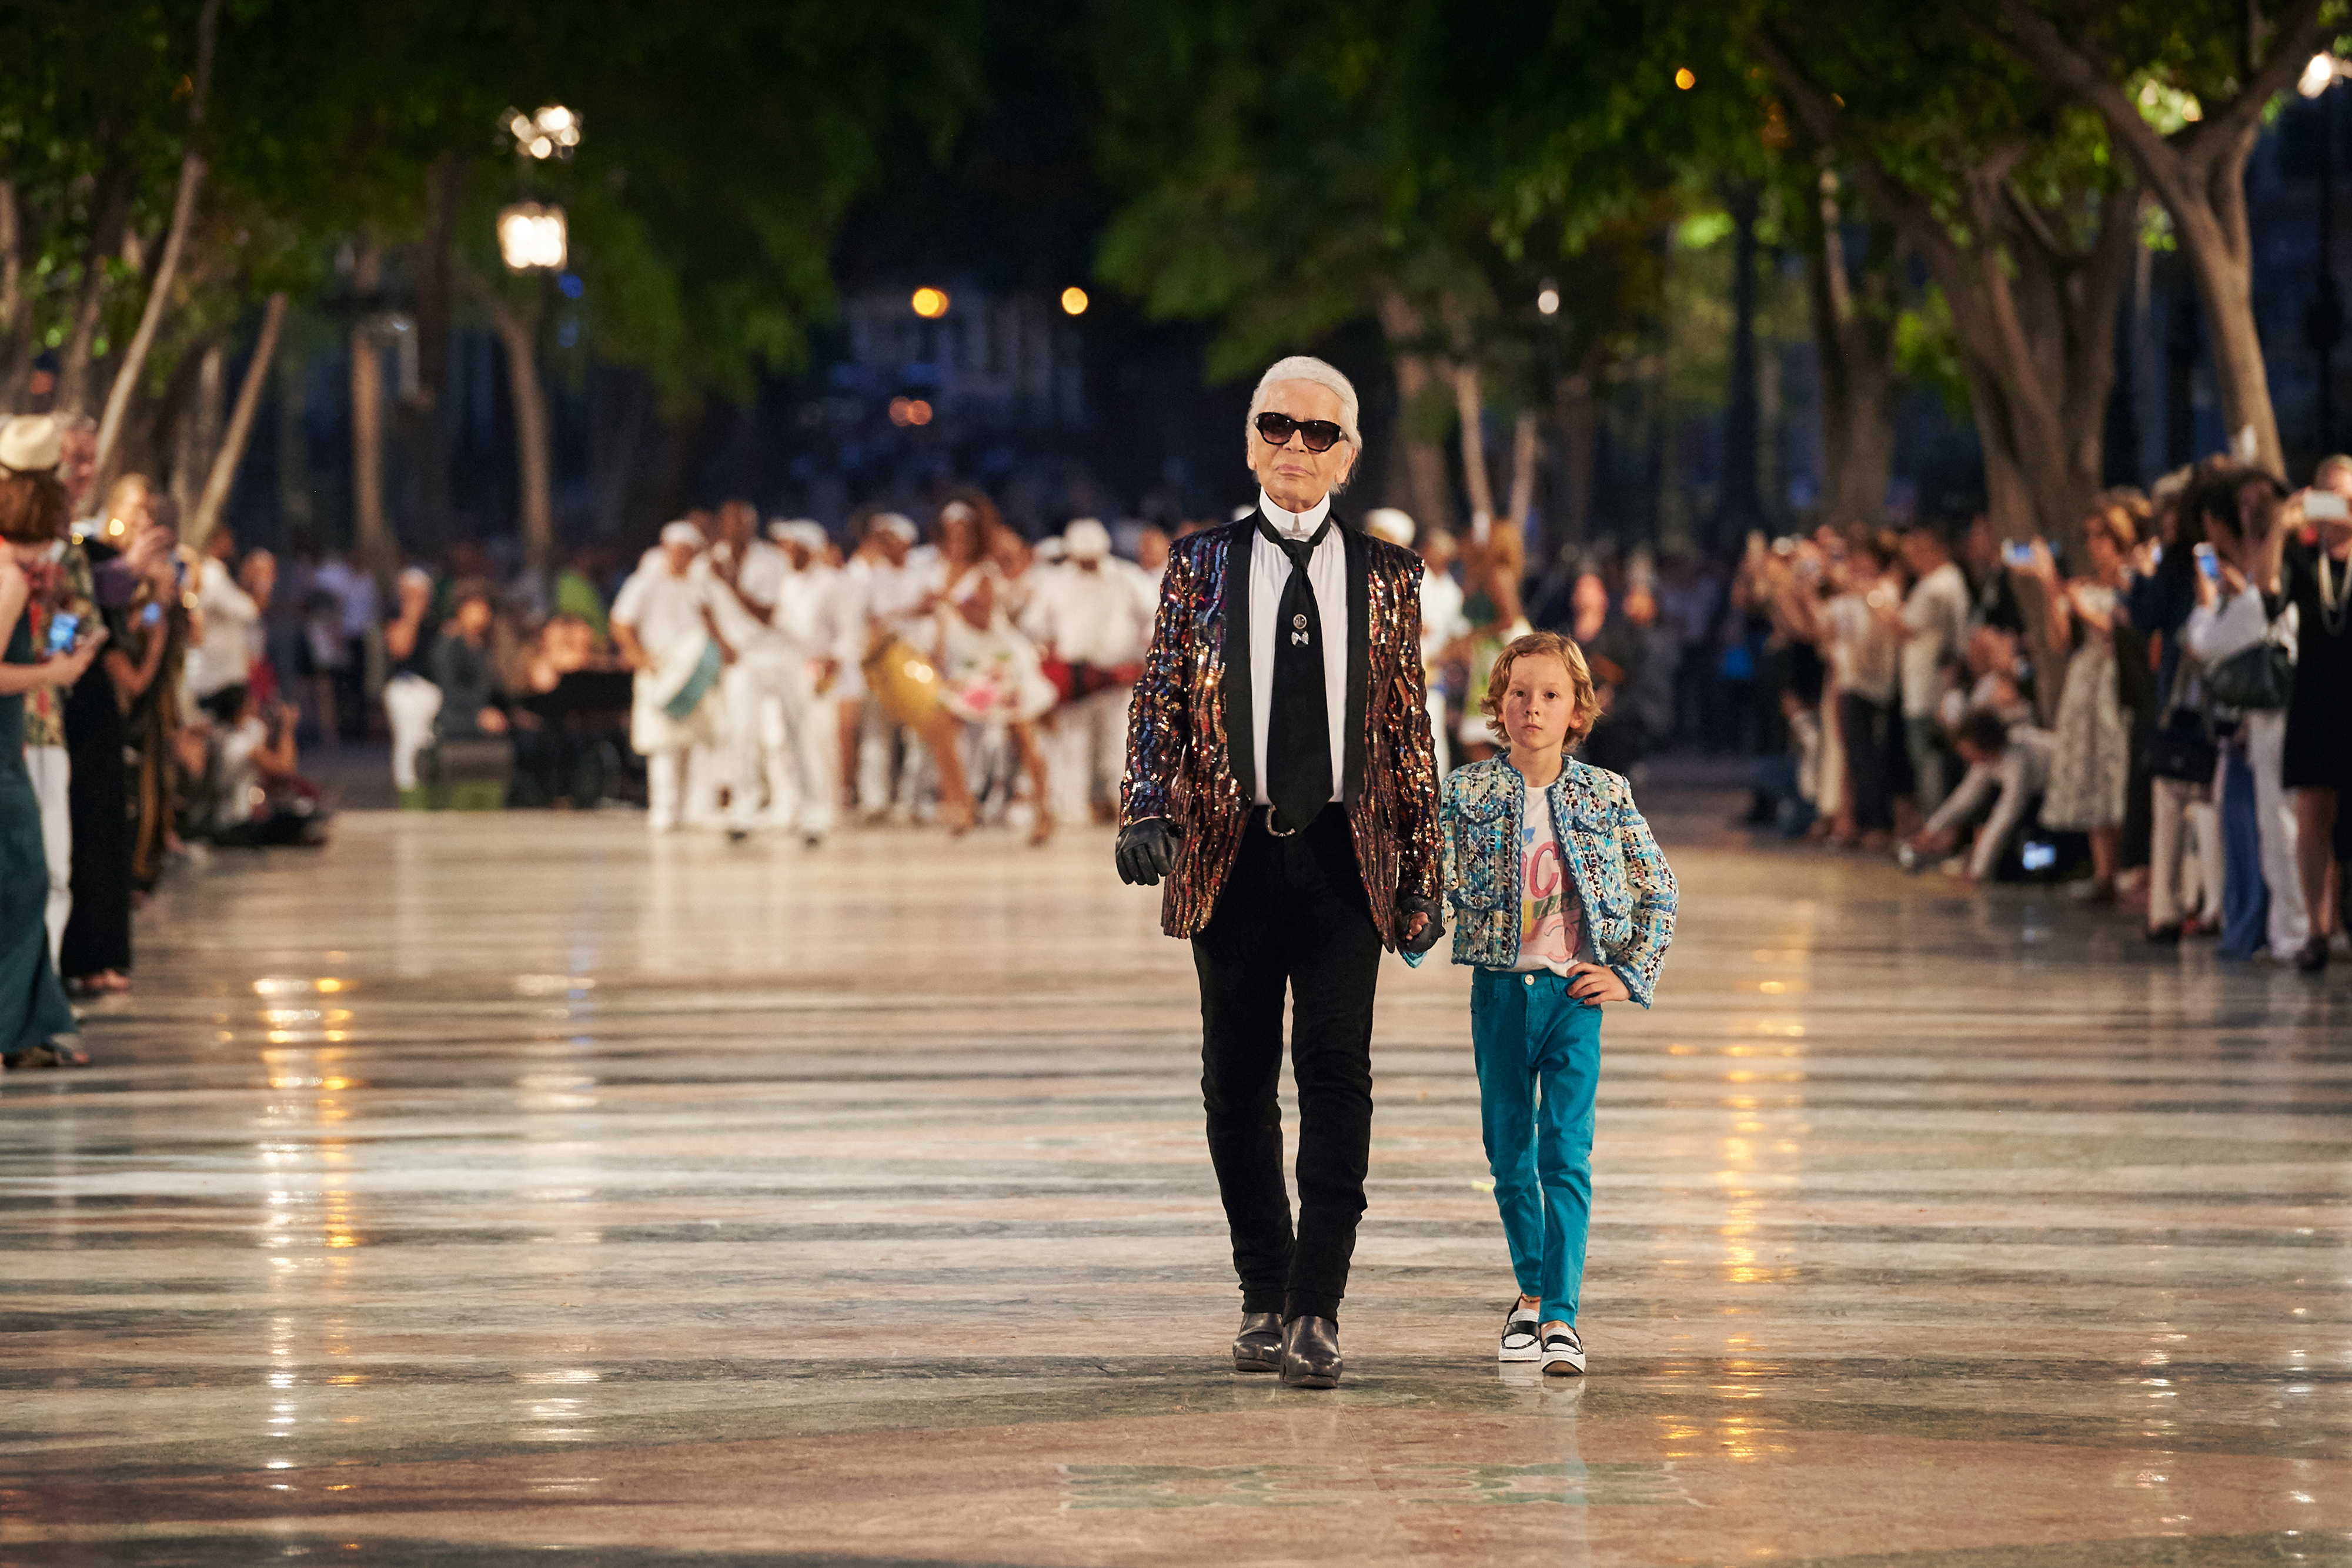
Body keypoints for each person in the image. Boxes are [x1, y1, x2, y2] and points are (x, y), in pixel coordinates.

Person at [1115, 355, 1445, 1389]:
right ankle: (1263, 1290)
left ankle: (1318, 1307)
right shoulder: (1197, 564)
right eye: (1276, 426)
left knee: (1338, 1076)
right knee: (1236, 1082)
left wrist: (1424, 870)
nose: (1294, 448)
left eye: (1318, 433)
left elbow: (1406, 730)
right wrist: (1146, 806)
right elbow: (1158, 698)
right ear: (1250, 438)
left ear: (1348, 454)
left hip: (1350, 855)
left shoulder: (1392, 578)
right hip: (1232, 852)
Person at [1439, 631, 1676, 1378]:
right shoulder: (1466, 791)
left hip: (1575, 998)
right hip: (1501, 995)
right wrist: (1405, 927)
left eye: (1549, 696)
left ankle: (1561, 1316)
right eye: (1518, 694)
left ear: (1577, 711)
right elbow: (1428, 881)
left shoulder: (1605, 794)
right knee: (1507, 1155)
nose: (1531, 708)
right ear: (1496, 704)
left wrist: (1630, 972)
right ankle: (1532, 1291)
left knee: (1565, 1154)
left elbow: (1657, 888)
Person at [2183, 467, 2306, 964]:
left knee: (2283, 826)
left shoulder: (2272, 587)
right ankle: (2292, 929)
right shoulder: (2276, 582)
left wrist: (2206, 603)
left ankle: (2295, 931)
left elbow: (2206, 641)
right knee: (2281, 825)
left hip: (2283, 717)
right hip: (2279, 717)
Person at [0, 526, 103, 1068]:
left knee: (33, 878)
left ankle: (26, 1021)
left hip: (27, 735)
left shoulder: (28, 578)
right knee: (26, 878)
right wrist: (52, 671)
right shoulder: (10, 576)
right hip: (20, 742)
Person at [2023, 507, 2136, 902]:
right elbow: (2059, 642)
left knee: (2115, 765)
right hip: (2085, 678)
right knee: (2090, 768)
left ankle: (2129, 870)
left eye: (2101, 536)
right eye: (2089, 537)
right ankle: (2103, 872)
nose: (2093, 546)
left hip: (2116, 679)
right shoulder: (2082, 585)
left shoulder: (2131, 580)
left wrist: (2078, 604)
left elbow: (2119, 633)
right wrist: (2051, 592)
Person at [1031, 517, 1155, 826]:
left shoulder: (1127, 577)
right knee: (1073, 745)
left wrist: (1146, 656)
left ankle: (1123, 808)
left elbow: (1155, 616)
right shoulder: (1055, 581)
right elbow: (1035, 627)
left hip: (1119, 674)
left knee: (1121, 743)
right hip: (1076, 677)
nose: (1088, 564)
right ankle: (1073, 809)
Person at [2280, 459, 2352, 970]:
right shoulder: (2304, 560)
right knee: (2312, 814)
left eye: (2345, 496)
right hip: (2315, 699)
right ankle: (2317, 927)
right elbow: (2264, 593)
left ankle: (2343, 919)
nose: (2337, 505)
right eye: (2328, 495)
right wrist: (2285, 522)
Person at [696, 499, 803, 840]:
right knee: (741, 734)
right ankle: (745, 809)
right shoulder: (709, 562)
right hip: (740, 659)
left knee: (781, 736)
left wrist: (730, 583)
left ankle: (790, 806)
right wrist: (721, 643)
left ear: (751, 526)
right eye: (728, 523)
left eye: (740, 523)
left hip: (776, 655)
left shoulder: (772, 561)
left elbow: (768, 614)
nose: (734, 529)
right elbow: (703, 607)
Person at [611, 521, 721, 833]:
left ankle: (700, 809)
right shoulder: (644, 581)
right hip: (658, 666)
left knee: (701, 741)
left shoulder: (702, 582)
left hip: (697, 666)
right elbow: (621, 622)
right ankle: (664, 809)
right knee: (663, 744)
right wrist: (640, 657)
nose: (682, 558)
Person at [1907, 708, 2057, 882]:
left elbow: (2005, 816)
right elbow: (1963, 798)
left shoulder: (2017, 760)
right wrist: (1930, 831)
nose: (1965, 756)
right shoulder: (1989, 757)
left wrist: (1977, 872)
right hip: (2037, 795)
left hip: (2053, 792)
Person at [1896, 522, 1970, 814]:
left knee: (1932, 761)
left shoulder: (1940, 585)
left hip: (1932, 689)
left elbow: (1904, 629)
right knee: (1929, 760)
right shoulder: (1936, 582)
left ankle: (1938, 829)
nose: (1913, 558)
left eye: (1919, 550)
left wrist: (1874, 597)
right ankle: (1937, 828)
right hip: (1926, 686)